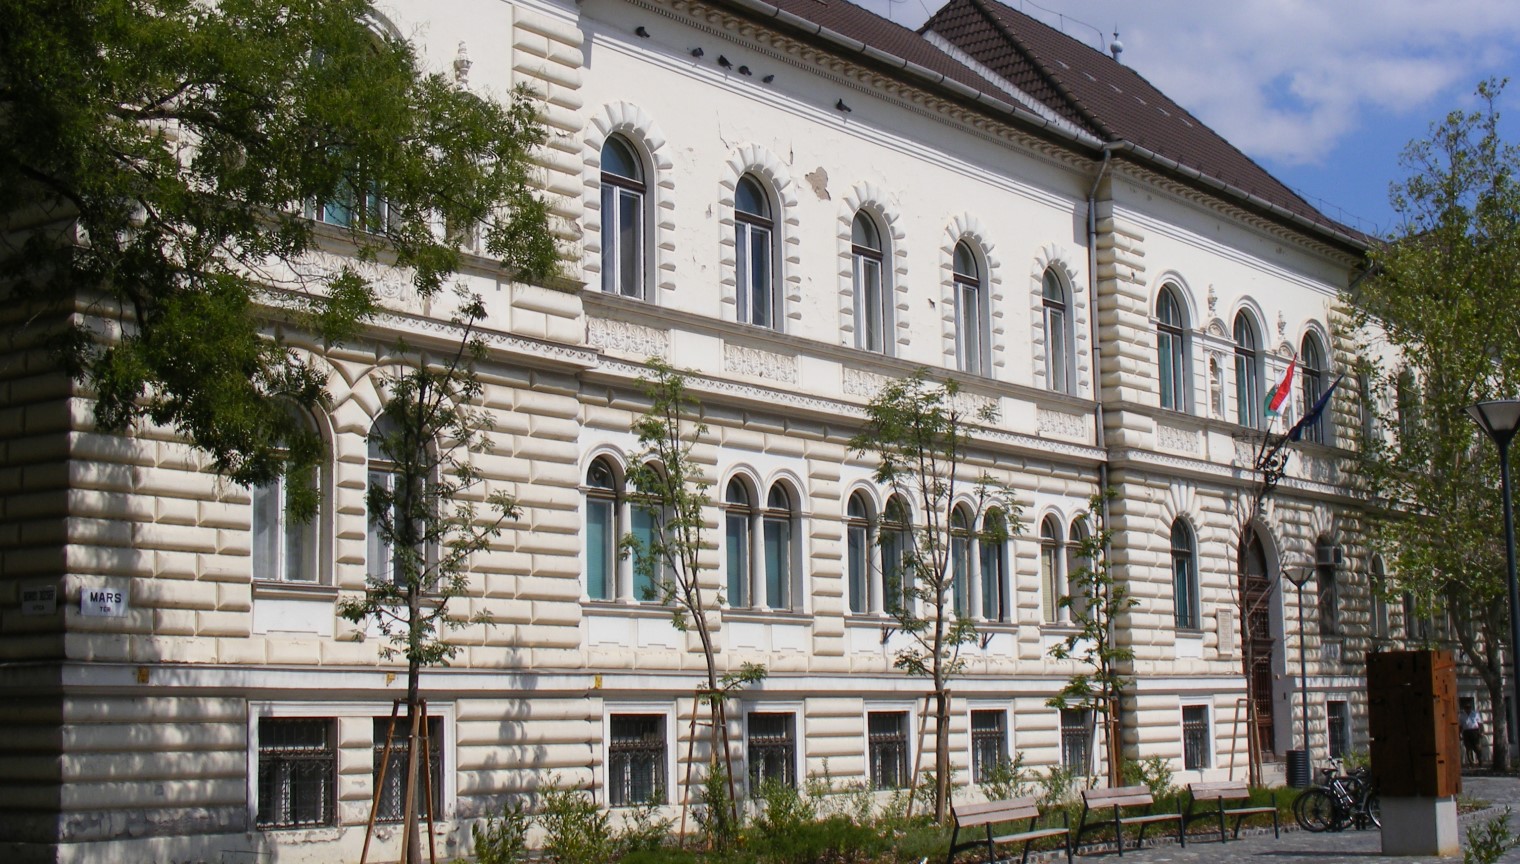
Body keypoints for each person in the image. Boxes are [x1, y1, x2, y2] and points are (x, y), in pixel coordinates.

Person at [1460, 702, 1483, 767]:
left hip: (1474, 731)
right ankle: (1471, 763)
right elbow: (1460, 725)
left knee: (1477, 747)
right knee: (1468, 748)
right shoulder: (1462, 715)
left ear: (1471, 708)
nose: (1467, 709)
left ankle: (1480, 761)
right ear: (1464, 708)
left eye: (1469, 707)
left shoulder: (1475, 714)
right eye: (1466, 708)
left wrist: (1481, 732)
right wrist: (1460, 734)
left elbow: (1480, 724)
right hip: (1466, 732)